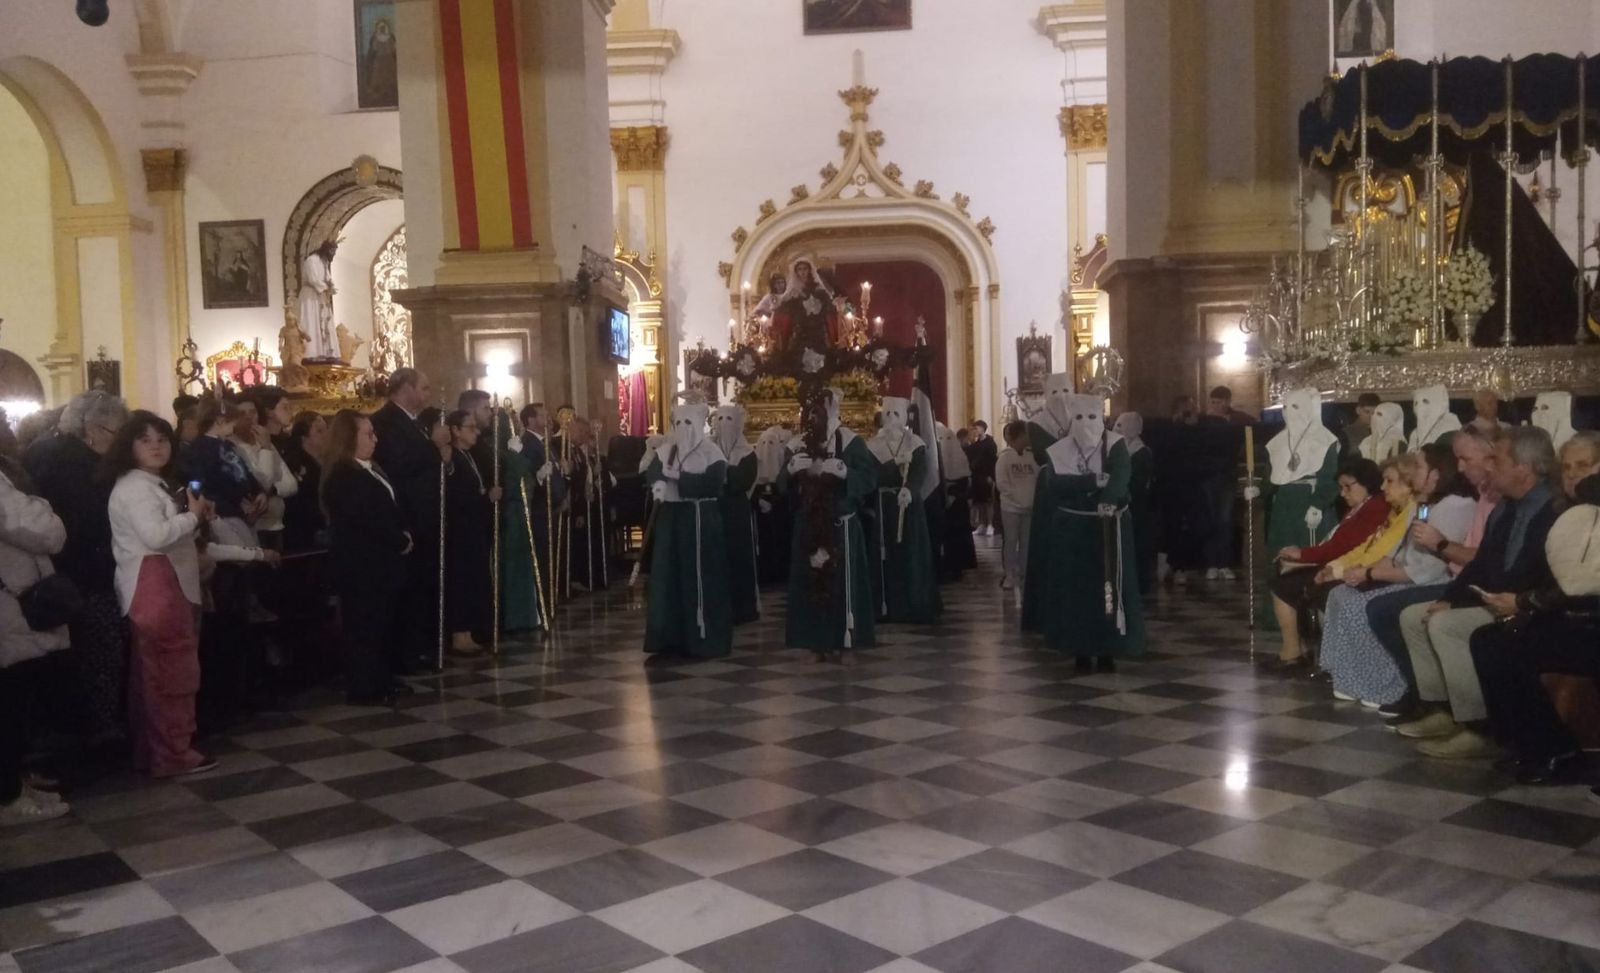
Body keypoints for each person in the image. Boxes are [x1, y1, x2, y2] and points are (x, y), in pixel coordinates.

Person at [1393, 426, 1559, 759]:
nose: (1490, 466)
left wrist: (1514, 601)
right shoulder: (1506, 508)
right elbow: (1483, 564)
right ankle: (1442, 707)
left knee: (1446, 626)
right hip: (1496, 597)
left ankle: (1478, 725)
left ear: (1523, 468)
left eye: (1497, 460)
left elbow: (1542, 574)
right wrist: (1449, 598)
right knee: (1416, 616)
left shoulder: (1552, 509)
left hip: (1529, 605)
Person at [105, 412, 220, 777]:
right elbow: (155, 536)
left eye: (162, 439)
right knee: (169, 672)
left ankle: (164, 749)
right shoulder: (136, 489)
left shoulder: (149, 484)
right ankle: (171, 752)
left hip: (162, 581)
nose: (156, 445)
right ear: (129, 446)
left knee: (163, 670)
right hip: (155, 584)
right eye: (145, 439)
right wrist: (193, 517)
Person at [1469, 468, 1599, 785]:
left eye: (1583, 465)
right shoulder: (1564, 515)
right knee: (1490, 641)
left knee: (1514, 648)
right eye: (1565, 467)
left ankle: (1557, 752)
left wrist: (1525, 603)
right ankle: (1531, 744)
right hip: (1570, 617)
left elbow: (1583, 584)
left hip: (1590, 621)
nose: (1573, 476)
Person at [1361, 426, 1498, 720]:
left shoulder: (1461, 504)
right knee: (1373, 603)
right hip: (1461, 579)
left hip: (1461, 581)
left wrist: (1440, 545)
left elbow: (1469, 560)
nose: (1461, 466)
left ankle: (1457, 712)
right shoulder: (1469, 499)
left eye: (1466, 459)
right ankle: (1428, 697)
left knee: (1388, 608)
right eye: (1458, 460)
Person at [1319, 448, 1474, 706]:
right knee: (1340, 593)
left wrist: (1370, 572)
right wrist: (1365, 571)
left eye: (1419, 469)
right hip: (1407, 573)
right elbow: (1394, 550)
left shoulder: (1453, 506)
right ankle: (1349, 674)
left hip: (1435, 581)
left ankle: (1386, 683)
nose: (1414, 475)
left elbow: (1427, 569)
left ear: (1436, 475)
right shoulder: (1423, 505)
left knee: (1365, 607)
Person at [26, 391, 129, 746]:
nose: (120, 445)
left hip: (63, 573)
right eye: (117, 434)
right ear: (91, 429)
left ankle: (83, 727)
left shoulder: (48, 450)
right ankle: (100, 730)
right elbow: (87, 520)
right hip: (86, 572)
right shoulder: (75, 465)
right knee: (99, 654)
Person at [1037, 394, 1145, 672]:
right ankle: (1080, 649)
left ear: (1103, 418)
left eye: (1092, 417)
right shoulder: (1059, 450)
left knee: (1108, 588)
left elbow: (1121, 474)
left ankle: (1108, 648)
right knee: (1077, 591)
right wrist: (1090, 480)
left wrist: (1108, 496)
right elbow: (1055, 485)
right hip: (1073, 534)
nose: (1086, 423)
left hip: (1108, 527)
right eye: (1080, 417)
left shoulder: (1115, 444)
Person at [0, 452, 72, 824]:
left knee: (16, 699)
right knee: (9, 702)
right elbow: (45, 530)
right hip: (9, 604)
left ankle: (13, 782)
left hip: (13, 601)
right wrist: (42, 506)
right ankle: (7, 797)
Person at [321, 410, 411, 705]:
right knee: (364, 626)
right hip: (363, 565)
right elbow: (366, 519)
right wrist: (398, 540)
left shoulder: (369, 468)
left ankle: (382, 678)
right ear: (349, 438)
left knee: (382, 624)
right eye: (367, 434)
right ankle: (365, 686)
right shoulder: (345, 476)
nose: (375, 438)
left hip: (381, 563)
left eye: (373, 432)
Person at [1262, 458, 1386, 670]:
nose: (1343, 493)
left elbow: (1344, 546)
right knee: (1283, 581)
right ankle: (1293, 650)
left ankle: (1319, 657)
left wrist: (1303, 555)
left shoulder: (1375, 507)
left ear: (1367, 482)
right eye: (1341, 487)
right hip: (1342, 563)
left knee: (1293, 585)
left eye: (1348, 486)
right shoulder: (1360, 507)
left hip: (1355, 568)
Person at [783, 389, 876, 662]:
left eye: (821, 410)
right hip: (809, 525)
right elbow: (781, 485)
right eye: (811, 411)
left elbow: (869, 479)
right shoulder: (798, 443)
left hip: (840, 525)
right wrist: (789, 472)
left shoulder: (851, 443)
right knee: (810, 581)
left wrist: (846, 473)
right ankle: (813, 638)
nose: (815, 416)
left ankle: (844, 635)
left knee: (840, 583)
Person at [644, 401, 732, 659]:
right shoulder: (666, 450)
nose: (683, 428)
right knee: (670, 577)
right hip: (672, 519)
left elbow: (713, 484)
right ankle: (671, 636)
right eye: (678, 423)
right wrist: (659, 483)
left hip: (700, 518)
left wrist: (680, 479)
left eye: (688, 423)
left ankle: (703, 635)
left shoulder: (711, 452)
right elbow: (654, 471)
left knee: (700, 576)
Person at [1245, 388, 1339, 616]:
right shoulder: (1277, 442)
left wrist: (1318, 504)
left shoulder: (1325, 441)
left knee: (1307, 557)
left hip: (1309, 503)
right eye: (1285, 407)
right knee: (1280, 555)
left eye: (1295, 407)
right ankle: (1278, 615)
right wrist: (1258, 490)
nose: (1289, 413)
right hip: (1283, 506)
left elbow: (1330, 477)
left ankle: (1310, 614)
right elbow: (1272, 477)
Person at [371, 368, 440, 672]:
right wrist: (433, 445)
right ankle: (408, 652)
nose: (428, 393)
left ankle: (420, 645)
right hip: (407, 514)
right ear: (405, 389)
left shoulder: (415, 423)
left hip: (425, 515)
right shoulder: (385, 422)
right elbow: (398, 464)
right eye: (423, 387)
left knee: (422, 585)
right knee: (409, 587)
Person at [865, 396, 939, 623]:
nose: (891, 419)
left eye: (896, 414)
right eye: (887, 414)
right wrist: (893, 466)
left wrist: (910, 489)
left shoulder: (915, 443)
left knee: (910, 552)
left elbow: (920, 471)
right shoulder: (872, 446)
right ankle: (885, 604)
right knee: (884, 553)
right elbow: (871, 475)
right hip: (884, 505)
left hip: (908, 506)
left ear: (905, 417)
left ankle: (913, 603)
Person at [443, 409, 499, 655]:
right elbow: (458, 498)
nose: (476, 431)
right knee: (463, 580)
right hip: (462, 530)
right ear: (455, 430)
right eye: (470, 427)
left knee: (476, 578)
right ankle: (460, 632)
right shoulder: (452, 458)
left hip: (475, 528)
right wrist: (487, 497)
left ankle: (474, 629)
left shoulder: (469, 456)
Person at [493, 407, 543, 635]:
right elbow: (520, 478)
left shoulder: (511, 451)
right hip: (510, 515)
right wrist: (515, 457)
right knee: (513, 566)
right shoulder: (501, 454)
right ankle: (516, 616)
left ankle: (527, 614)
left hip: (520, 513)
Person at [711, 405, 760, 624]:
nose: (724, 423)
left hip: (737, 513)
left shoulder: (748, 453)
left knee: (739, 559)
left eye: (729, 419)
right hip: (714, 511)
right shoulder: (709, 449)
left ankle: (743, 608)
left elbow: (741, 482)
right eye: (719, 418)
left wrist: (723, 471)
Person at [233, 389, 298, 550]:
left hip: (276, 525)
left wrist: (273, 490)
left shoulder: (263, 441)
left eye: (253, 412)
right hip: (254, 527)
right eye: (242, 413)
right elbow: (263, 481)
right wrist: (265, 449)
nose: (249, 417)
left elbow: (291, 483)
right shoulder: (233, 447)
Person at [1113, 412, 1155, 593]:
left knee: (1138, 542)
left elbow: (1137, 482)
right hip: (1123, 504)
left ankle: (1141, 582)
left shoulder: (1141, 453)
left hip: (1137, 506)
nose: (1117, 429)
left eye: (1121, 425)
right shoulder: (1121, 449)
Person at [994, 420, 1038, 595]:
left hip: (1029, 507)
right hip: (1010, 508)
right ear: (1017, 437)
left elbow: (1037, 477)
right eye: (1024, 435)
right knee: (1011, 542)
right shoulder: (1004, 458)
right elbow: (1002, 484)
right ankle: (1010, 574)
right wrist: (1017, 498)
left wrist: (1030, 499)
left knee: (1026, 542)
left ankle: (1024, 574)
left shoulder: (1032, 456)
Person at [281, 410, 328, 552]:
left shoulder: (330, 460)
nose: (327, 435)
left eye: (327, 429)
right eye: (320, 431)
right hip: (306, 530)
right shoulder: (295, 464)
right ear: (303, 437)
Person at [752, 425, 793, 585]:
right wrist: (758, 501)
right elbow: (749, 489)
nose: (767, 448)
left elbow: (786, 490)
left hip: (780, 513)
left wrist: (774, 503)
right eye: (764, 443)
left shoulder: (783, 470)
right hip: (759, 515)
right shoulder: (754, 466)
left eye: (771, 444)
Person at [936, 422, 976, 580]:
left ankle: (957, 566)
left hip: (956, 505)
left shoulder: (959, 455)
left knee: (957, 536)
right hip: (940, 502)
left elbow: (965, 479)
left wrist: (953, 493)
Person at [298, 240, 339, 360]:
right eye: (332, 251)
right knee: (311, 321)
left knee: (324, 323)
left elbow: (327, 278)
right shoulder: (312, 260)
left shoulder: (324, 262)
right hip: (310, 295)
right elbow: (313, 279)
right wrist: (326, 287)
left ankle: (325, 351)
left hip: (321, 296)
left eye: (334, 251)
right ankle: (311, 352)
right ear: (326, 249)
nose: (333, 254)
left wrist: (331, 286)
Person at [1408, 384, 1461, 450]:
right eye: (1416, 403)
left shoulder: (1450, 425)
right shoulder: (1415, 433)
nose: (1419, 407)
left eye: (1425, 401)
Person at [968, 420, 998, 536]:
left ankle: (990, 524)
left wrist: (991, 475)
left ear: (983, 428)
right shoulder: (975, 445)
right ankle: (981, 524)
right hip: (976, 476)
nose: (976, 430)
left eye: (977, 428)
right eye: (974, 428)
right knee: (979, 501)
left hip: (987, 476)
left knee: (988, 501)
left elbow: (992, 460)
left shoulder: (990, 443)